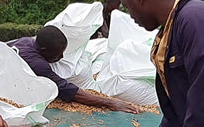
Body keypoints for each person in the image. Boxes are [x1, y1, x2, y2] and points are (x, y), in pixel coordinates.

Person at [8, 27, 139, 113]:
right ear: (44, 50)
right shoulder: (37, 64)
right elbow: (65, 89)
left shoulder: (26, 41)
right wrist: (109, 102)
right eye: (57, 54)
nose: (61, 58)